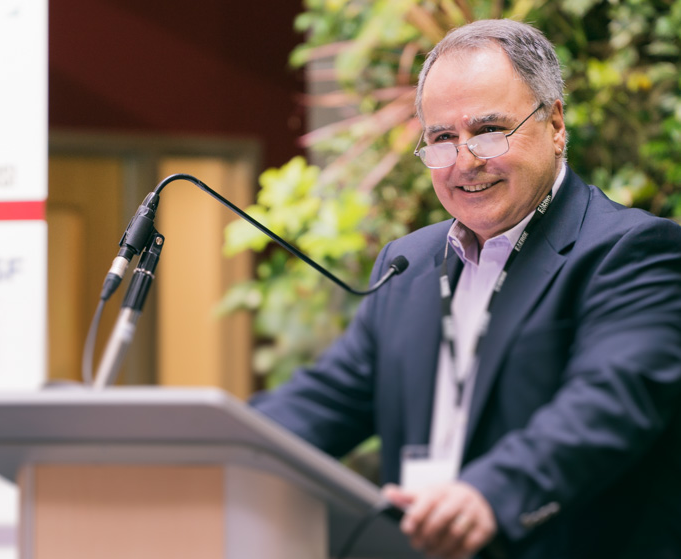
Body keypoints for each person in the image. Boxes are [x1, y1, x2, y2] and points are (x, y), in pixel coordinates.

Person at [251, 19, 681, 559]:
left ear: (555, 124)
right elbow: (323, 402)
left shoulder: (632, 249)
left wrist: (489, 496)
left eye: (488, 131)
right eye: (442, 139)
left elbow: (611, 402)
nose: (464, 161)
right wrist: (207, 447)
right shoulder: (408, 263)